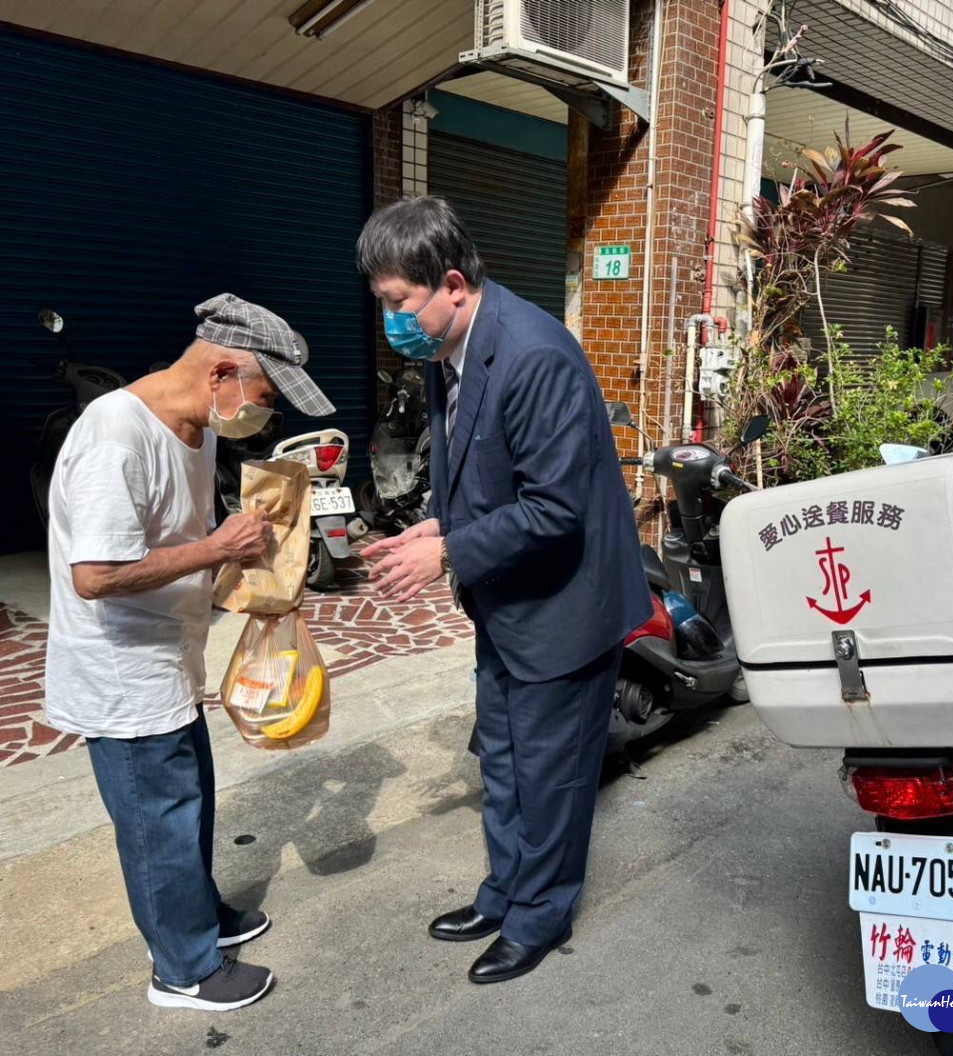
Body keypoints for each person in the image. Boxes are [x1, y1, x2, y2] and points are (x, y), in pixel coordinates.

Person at [358, 198, 651, 984]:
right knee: (505, 760)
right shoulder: (448, 347)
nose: (392, 321)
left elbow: (553, 509)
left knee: (551, 776)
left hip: (563, 605)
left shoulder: (534, 355)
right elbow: (477, 469)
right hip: (505, 600)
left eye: (397, 303)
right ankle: (505, 890)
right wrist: (434, 526)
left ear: (451, 283)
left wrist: (449, 552)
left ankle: (541, 917)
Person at [43, 293, 335, 1011]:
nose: (262, 412)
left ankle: (196, 915)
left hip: (170, 660)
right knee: (157, 820)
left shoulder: (199, 433)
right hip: (121, 672)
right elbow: (95, 576)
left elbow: (186, 544)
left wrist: (261, 576)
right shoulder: (116, 435)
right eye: (263, 396)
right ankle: (182, 969)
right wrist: (216, 547)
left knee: (189, 802)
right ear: (222, 372)